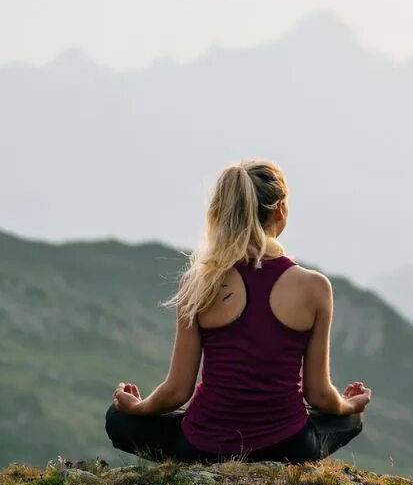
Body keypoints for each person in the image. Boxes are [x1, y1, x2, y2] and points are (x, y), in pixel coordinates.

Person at [105, 159, 371, 463]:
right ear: (280, 210)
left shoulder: (199, 282)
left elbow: (178, 390)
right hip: (290, 447)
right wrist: (350, 405)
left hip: (204, 448)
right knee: (349, 419)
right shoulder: (315, 287)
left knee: (117, 418)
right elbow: (319, 394)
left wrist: (137, 408)